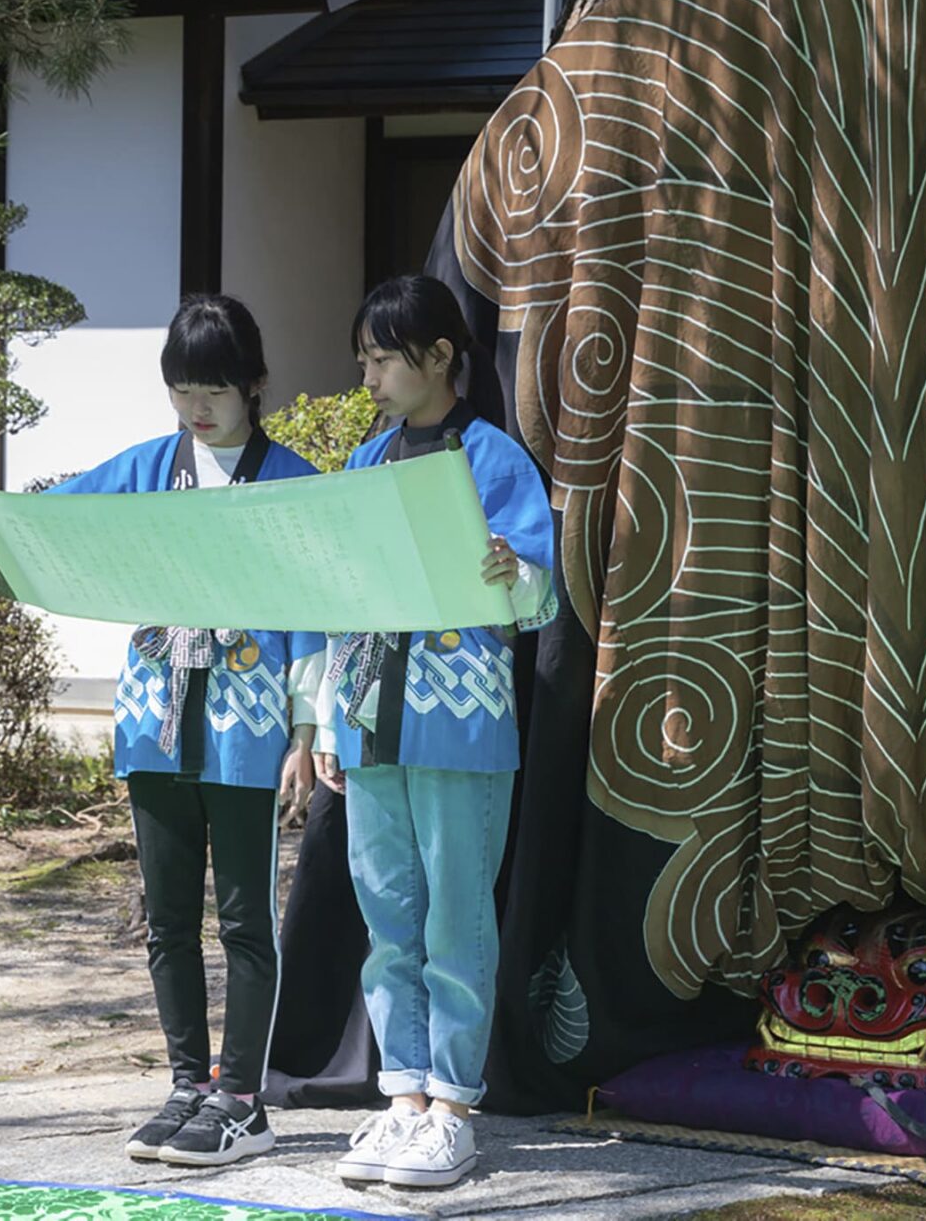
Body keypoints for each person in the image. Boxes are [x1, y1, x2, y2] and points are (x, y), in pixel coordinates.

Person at [45, 294, 326, 1168]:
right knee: (167, 918)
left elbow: (318, 613)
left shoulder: (292, 480)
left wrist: (307, 730)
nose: (197, 407)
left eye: (214, 388)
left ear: (254, 384)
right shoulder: (144, 467)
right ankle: (184, 1083)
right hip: (154, 721)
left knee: (246, 918)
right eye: (181, 389)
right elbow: (55, 518)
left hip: (247, 724)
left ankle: (242, 1097)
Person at [316, 275, 557, 1191]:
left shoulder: (495, 459)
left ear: (440, 357)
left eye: (382, 357)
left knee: (457, 913)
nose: (370, 374)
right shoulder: (365, 464)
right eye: (366, 357)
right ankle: (405, 1099)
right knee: (388, 914)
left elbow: (539, 600)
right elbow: (337, 600)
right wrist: (328, 720)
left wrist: (513, 571)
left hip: (460, 724)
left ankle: (454, 1105)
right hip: (372, 718)